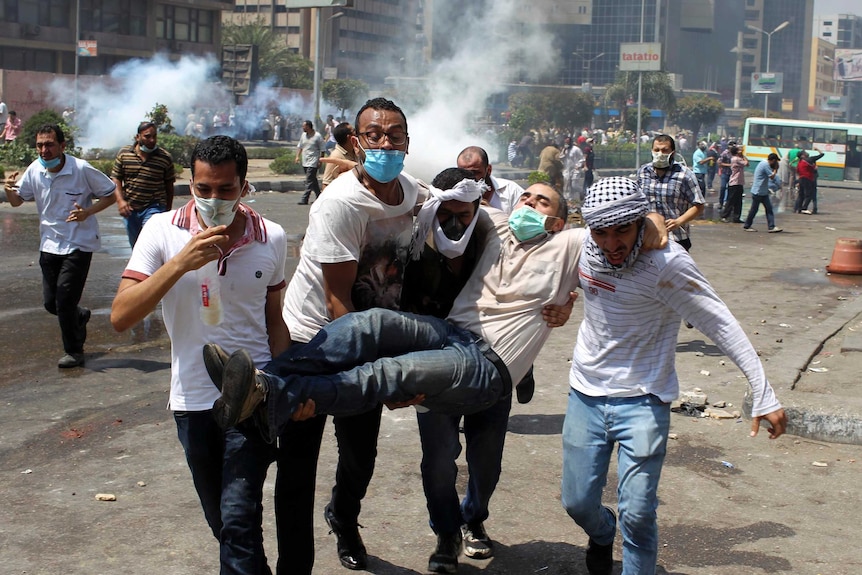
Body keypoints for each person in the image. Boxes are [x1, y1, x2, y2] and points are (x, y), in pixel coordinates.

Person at [561, 176, 787, 575]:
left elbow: (720, 324)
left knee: (638, 513)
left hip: (644, 399)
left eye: (622, 231)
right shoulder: (582, 248)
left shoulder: (667, 264)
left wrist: (763, 391)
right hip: (586, 392)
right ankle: (601, 531)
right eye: (601, 232)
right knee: (577, 502)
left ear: (636, 222)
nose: (611, 244)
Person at [110, 135, 290, 574]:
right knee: (224, 523)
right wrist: (178, 265)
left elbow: (274, 322)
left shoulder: (271, 237)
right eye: (203, 189)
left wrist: (286, 385)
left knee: (239, 519)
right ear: (190, 183)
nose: (214, 199)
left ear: (244, 185)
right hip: (192, 399)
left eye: (226, 189)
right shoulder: (161, 231)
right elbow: (120, 316)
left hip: (252, 397)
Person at [280, 97, 423, 572]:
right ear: (357, 142)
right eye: (374, 135)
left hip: (370, 334)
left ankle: (344, 518)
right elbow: (337, 300)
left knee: (360, 456)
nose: (385, 142)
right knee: (300, 455)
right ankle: (294, 562)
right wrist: (377, 377)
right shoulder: (340, 203)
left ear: (407, 141)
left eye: (394, 134)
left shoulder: (410, 193)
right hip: (316, 338)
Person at [4, 124, 116, 368]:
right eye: (40, 145)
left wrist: (88, 212)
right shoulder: (35, 170)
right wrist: (8, 190)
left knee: (64, 301)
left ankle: (74, 351)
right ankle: (79, 315)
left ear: (63, 146)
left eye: (49, 144)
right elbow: (17, 201)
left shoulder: (81, 169)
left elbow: (111, 194)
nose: (44, 150)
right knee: (51, 304)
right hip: (49, 244)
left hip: (78, 243)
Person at [110, 121, 176, 247]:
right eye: (147, 136)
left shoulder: (164, 157)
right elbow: (116, 178)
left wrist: (167, 210)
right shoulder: (124, 154)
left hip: (154, 206)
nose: (152, 140)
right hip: (131, 209)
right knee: (136, 246)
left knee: (149, 241)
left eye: (154, 136)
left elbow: (169, 185)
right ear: (138, 137)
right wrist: (120, 201)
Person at [637, 134, 704, 252]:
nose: (660, 153)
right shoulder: (643, 172)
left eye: (664, 150)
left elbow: (698, 205)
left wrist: (678, 221)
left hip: (676, 238)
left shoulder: (685, 175)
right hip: (647, 237)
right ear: (652, 151)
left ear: (672, 152)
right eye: (656, 150)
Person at [456, 145, 524, 214]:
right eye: (463, 173)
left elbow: (525, 222)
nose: (469, 178)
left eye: (475, 173)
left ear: (488, 170)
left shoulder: (511, 191)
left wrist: (493, 214)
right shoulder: (452, 194)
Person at [742, 153, 783, 233]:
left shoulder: (762, 162)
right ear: (773, 160)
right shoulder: (765, 165)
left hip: (761, 191)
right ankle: (748, 225)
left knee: (767, 209)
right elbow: (771, 176)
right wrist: (775, 170)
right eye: (775, 162)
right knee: (756, 210)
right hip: (759, 191)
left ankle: (771, 227)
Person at [321, 122, 357, 190]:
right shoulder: (336, 156)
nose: (357, 133)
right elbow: (326, 184)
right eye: (354, 131)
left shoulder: (357, 151)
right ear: (349, 137)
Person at [295, 120, 324, 205]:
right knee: (313, 180)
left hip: (313, 161)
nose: (302, 128)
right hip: (305, 160)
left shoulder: (317, 136)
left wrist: (320, 160)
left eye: (304, 126)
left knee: (309, 180)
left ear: (308, 126)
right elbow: (300, 146)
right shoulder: (303, 135)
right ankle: (320, 196)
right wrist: (297, 156)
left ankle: (305, 199)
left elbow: (322, 149)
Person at [720, 144, 749, 224]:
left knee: (738, 201)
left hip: (739, 182)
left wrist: (742, 155)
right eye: (739, 150)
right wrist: (743, 155)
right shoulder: (736, 159)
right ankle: (724, 216)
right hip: (734, 182)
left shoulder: (738, 158)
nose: (741, 151)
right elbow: (746, 163)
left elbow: (747, 163)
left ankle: (736, 217)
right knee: (731, 201)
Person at [794, 149, 824, 215]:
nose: (806, 153)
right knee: (809, 195)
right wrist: (818, 150)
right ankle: (804, 208)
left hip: (801, 178)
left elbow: (797, 171)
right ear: (802, 156)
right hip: (807, 179)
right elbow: (821, 155)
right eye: (805, 153)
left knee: (801, 195)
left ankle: (799, 208)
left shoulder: (800, 162)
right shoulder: (808, 160)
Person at [560, 136, 585, 202]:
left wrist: (578, 166)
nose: (567, 143)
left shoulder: (576, 149)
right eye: (566, 142)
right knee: (567, 185)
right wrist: (564, 150)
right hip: (567, 169)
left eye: (568, 142)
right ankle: (569, 199)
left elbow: (582, 159)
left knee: (574, 185)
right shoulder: (565, 150)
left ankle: (582, 191)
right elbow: (561, 157)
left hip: (575, 169)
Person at [717, 142, 734, 210]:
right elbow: (719, 163)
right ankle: (720, 203)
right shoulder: (725, 153)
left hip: (732, 174)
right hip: (725, 173)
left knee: (730, 189)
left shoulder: (734, 154)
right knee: (723, 187)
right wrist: (729, 165)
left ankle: (727, 203)